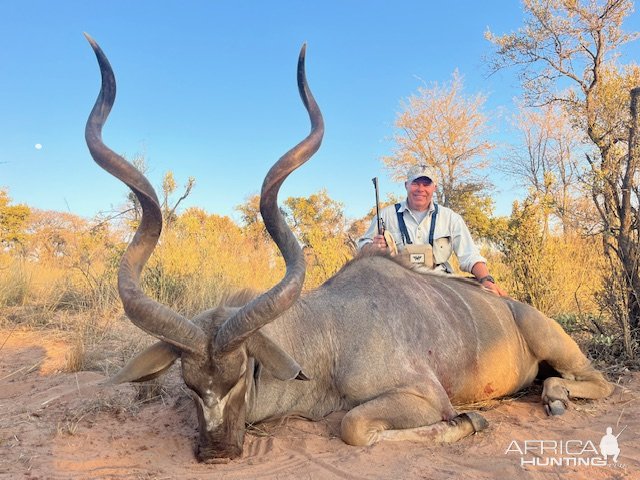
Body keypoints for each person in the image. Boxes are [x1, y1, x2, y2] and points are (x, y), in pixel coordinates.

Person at [358, 164, 507, 297]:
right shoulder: (386, 215)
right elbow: (363, 245)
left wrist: (486, 280)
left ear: (434, 187)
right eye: (415, 183)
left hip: (441, 286)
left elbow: (470, 256)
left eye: (426, 184)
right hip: (397, 285)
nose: (421, 189)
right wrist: (373, 247)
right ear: (406, 185)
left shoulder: (450, 218)